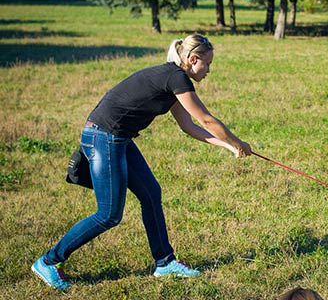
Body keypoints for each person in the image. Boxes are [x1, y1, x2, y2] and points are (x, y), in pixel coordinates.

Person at [32, 34, 252, 290]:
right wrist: (238, 142)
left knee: (150, 193)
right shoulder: (176, 77)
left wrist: (227, 146)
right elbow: (207, 121)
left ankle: (164, 262)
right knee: (109, 214)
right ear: (193, 59)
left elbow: (188, 126)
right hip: (104, 136)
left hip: (119, 137)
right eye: (208, 64)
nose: (209, 70)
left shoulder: (173, 80)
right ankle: (49, 261)